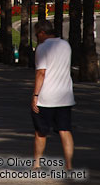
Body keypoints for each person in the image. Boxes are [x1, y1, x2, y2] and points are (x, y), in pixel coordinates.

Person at [31, 20, 75, 170]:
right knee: (65, 130)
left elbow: (41, 73)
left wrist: (35, 96)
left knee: (41, 132)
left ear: (42, 33)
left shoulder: (42, 48)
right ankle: (68, 164)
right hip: (65, 96)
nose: (37, 37)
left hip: (46, 97)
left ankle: (37, 164)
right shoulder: (65, 45)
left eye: (37, 34)